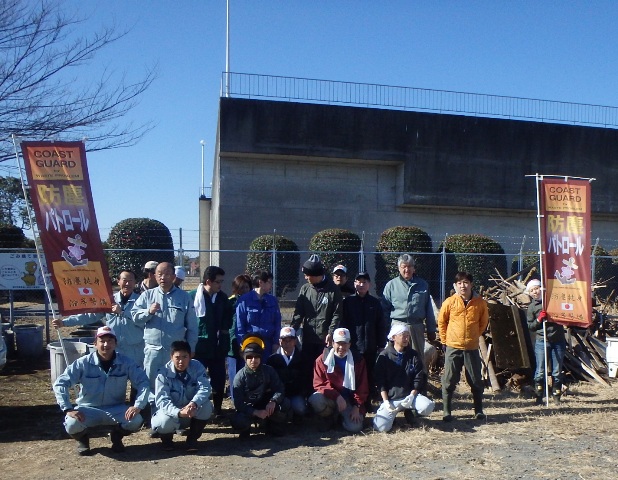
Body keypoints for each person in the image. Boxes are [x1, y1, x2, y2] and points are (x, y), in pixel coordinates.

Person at [52, 326, 149, 455]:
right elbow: (60, 383)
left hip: (116, 408)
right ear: (95, 344)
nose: (106, 344)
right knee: (71, 424)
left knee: (136, 420)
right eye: (102, 341)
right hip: (88, 409)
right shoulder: (82, 363)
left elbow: (144, 382)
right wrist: (68, 408)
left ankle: (116, 436)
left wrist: (138, 405)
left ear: (116, 343)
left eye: (110, 340)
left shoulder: (126, 363)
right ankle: (83, 440)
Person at [132, 262, 198, 413]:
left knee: (176, 383)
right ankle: (157, 417)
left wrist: (191, 347)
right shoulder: (147, 296)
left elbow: (193, 326)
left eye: (167, 274)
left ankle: (176, 417)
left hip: (175, 353)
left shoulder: (184, 297)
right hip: (153, 351)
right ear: (155, 276)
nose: (163, 277)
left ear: (174, 276)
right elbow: (135, 317)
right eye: (160, 274)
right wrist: (148, 312)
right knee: (152, 384)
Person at [52, 270, 145, 369]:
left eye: (131, 280)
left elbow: (144, 321)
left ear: (135, 282)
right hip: (113, 347)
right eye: (124, 280)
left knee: (137, 380)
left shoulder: (141, 301)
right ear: (118, 281)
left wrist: (122, 312)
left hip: (135, 349)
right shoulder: (109, 300)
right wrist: (64, 322)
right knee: (114, 379)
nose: (127, 283)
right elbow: (89, 315)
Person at [438, 271, 489, 422]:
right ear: (455, 285)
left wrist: (473, 337)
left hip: (471, 347)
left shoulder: (480, 303)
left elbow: (483, 323)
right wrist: (445, 341)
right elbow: (442, 322)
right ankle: (447, 412)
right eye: (459, 283)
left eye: (466, 282)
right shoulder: (450, 302)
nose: (462, 286)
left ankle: (478, 410)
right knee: (449, 380)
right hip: (453, 346)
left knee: (475, 380)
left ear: (471, 284)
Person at [151, 340, 213, 452]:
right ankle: (167, 440)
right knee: (163, 422)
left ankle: (192, 440)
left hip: (190, 411)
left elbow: (205, 387)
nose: (181, 361)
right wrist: (178, 413)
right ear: (171, 357)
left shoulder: (197, 366)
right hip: (172, 414)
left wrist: (194, 403)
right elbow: (162, 400)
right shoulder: (163, 373)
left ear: (190, 356)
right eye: (177, 357)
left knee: (207, 406)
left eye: (185, 357)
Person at [373, 324, 434, 432]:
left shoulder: (413, 355)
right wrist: (386, 401)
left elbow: (418, 377)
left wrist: (412, 395)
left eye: (407, 336)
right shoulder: (384, 356)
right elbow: (380, 381)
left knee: (427, 406)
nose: (406, 338)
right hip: (391, 399)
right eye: (403, 335)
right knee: (381, 427)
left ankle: (411, 413)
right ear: (393, 337)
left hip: (409, 397)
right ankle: (391, 417)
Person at [382, 254, 437, 373]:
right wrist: (384, 330)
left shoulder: (423, 285)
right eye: (403, 267)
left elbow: (429, 309)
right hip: (397, 326)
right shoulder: (391, 285)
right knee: (397, 357)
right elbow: (385, 310)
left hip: (416, 326)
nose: (407, 270)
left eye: (409, 267)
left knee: (418, 358)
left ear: (414, 268)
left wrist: (431, 329)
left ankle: (419, 388)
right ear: (399, 268)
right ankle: (398, 388)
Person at [308, 327, 369, 433]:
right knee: (315, 399)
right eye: (338, 343)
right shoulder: (322, 360)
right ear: (332, 343)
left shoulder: (358, 360)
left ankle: (342, 417)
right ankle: (329, 416)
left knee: (355, 427)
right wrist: (336, 396)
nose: (341, 347)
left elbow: (362, 386)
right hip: (331, 399)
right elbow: (319, 384)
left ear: (349, 344)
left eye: (345, 343)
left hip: (350, 400)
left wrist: (357, 406)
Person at [191, 265, 233, 417]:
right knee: (197, 380)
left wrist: (223, 335)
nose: (220, 285)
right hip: (198, 347)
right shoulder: (192, 296)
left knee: (219, 379)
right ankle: (196, 408)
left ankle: (217, 409)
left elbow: (228, 319)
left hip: (217, 347)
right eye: (218, 282)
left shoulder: (222, 298)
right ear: (208, 281)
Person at [340, 271, 387, 406]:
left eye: (364, 282)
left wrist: (381, 344)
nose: (361, 285)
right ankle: (353, 402)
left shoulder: (375, 303)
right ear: (354, 284)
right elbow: (343, 323)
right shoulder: (348, 302)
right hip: (353, 347)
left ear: (369, 284)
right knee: (353, 375)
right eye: (359, 282)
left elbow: (380, 325)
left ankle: (367, 403)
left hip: (370, 347)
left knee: (369, 376)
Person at [231, 336, 291, 439]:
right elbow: (238, 403)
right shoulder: (239, 377)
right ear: (244, 358)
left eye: (257, 357)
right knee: (238, 420)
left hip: (266, 406)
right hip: (249, 408)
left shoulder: (269, 371)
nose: (253, 360)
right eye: (249, 357)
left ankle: (271, 425)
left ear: (261, 357)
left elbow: (279, 389)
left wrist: (273, 401)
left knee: (284, 404)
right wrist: (255, 412)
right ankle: (246, 430)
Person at [291, 254, 343, 362]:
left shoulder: (333, 290)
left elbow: (337, 314)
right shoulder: (305, 289)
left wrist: (331, 332)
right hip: (308, 339)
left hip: (324, 340)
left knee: (323, 370)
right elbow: (298, 313)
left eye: (307, 275)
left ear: (316, 275)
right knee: (307, 371)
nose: (305, 277)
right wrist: (291, 331)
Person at [526, 278, 567, 404]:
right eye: (532, 290)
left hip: (558, 340)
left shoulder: (553, 302)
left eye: (536, 288)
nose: (535, 292)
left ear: (541, 288)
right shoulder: (532, 307)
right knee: (540, 371)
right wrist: (539, 320)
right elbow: (530, 326)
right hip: (542, 341)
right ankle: (539, 397)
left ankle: (556, 397)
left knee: (557, 371)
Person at [267, 326, 312, 423]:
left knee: (300, 408)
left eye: (290, 340)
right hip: (279, 395)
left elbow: (307, 380)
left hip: (296, 395)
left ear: (295, 341)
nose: (287, 343)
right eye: (284, 340)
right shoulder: (272, 360)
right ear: (279, 341)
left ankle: (296, 417)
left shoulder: (303, 358)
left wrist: (302, 393)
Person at [236, 270, 282, 356]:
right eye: (269, 282)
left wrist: (276, 343)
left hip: (268, 344)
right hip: (251, 343)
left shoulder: (272, 301)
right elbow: (239, 325)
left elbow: (277, 323)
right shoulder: (244, 300)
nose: (271, 285)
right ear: (261, 282)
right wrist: (243, 344)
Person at [228, 274, 253, 401]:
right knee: (233, 372)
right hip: (232, 342)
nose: (244, 290)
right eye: (241, 288)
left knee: (246, 370)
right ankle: (235, 398)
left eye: (246, 287)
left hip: (247, 341)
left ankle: (246, 397)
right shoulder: (231, 302)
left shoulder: (252, 302)